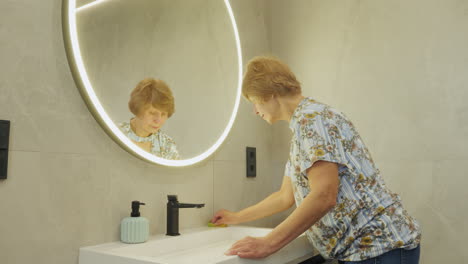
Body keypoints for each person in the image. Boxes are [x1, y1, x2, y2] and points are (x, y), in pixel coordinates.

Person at [211, 56, 421, 263]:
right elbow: (285, 196)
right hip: (372, 250)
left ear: (269, 94)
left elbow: (324, 195)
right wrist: (236, 217)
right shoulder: (306, 127)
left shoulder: (313, 121)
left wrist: (269, 243)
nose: (255, 111)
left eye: (254, 101)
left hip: (378, 249)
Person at [119, 78, 180, 160]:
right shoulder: (116, 133)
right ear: (138, 109)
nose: (158, 120)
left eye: (163, 114)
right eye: (152, 113)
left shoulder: (167, 146)